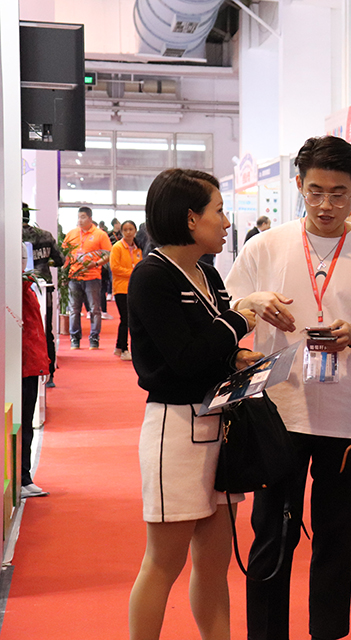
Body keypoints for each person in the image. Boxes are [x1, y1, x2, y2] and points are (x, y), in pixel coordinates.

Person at [225, 136, 351, 640]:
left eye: (338, 193)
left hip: (347, 415)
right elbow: (226, 314)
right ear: (298, 186)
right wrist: (251, 306)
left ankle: (327, 634)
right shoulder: (265, 247)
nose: (326, 205)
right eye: (315, 192)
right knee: (272, 533)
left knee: (336, 536)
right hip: (278, 412)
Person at [127, 168, 264, 640]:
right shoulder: (151, 276)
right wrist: (239, 320)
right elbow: (184, 359)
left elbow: (213, 349)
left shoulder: (207, 272)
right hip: (175, 429)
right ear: (190, 219)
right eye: (219, 211)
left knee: (214, 563)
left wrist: (239, 356)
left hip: (221, 425)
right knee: (163, 563)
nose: (226, 222)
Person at [22, 203, 63, 387]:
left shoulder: (13, 236)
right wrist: (46, 263)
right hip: (43, 287)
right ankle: (50, 374)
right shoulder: (46, 236)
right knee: (46, 331)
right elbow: (60, 260)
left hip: (22, 289)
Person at [63, 206, 113, 350]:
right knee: (74, 309)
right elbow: (65, 255)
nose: (80, 220)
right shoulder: (71, 234)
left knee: (94, 309)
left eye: (83, 217)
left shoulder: (100, 235)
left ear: (90, 218)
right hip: (74, 277)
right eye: (78, 217)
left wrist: (96, 264)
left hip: (92, 277)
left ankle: (94, 338)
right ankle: (75, 338)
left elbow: (108, 254)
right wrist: (64, 274)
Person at [21, 270, 52, 499]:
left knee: (26, 423)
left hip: (30, 364)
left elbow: (37, 331)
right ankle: (22, 477)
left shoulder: (27, 287)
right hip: (23, 365)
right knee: (22, 422)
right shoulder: (20, 289)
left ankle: (24, 476)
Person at [111, 220, 143, 361]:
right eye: (125, 230)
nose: (128, 232)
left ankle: (119, 347)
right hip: (121, 288)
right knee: (126, 319)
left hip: (135, 288)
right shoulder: (117, 247)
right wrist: (133, 272)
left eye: (131, 229)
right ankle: (124, 349)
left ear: (135, 231)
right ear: (121, 232)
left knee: (129, 319)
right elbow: (115, 268)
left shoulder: (138, 248)